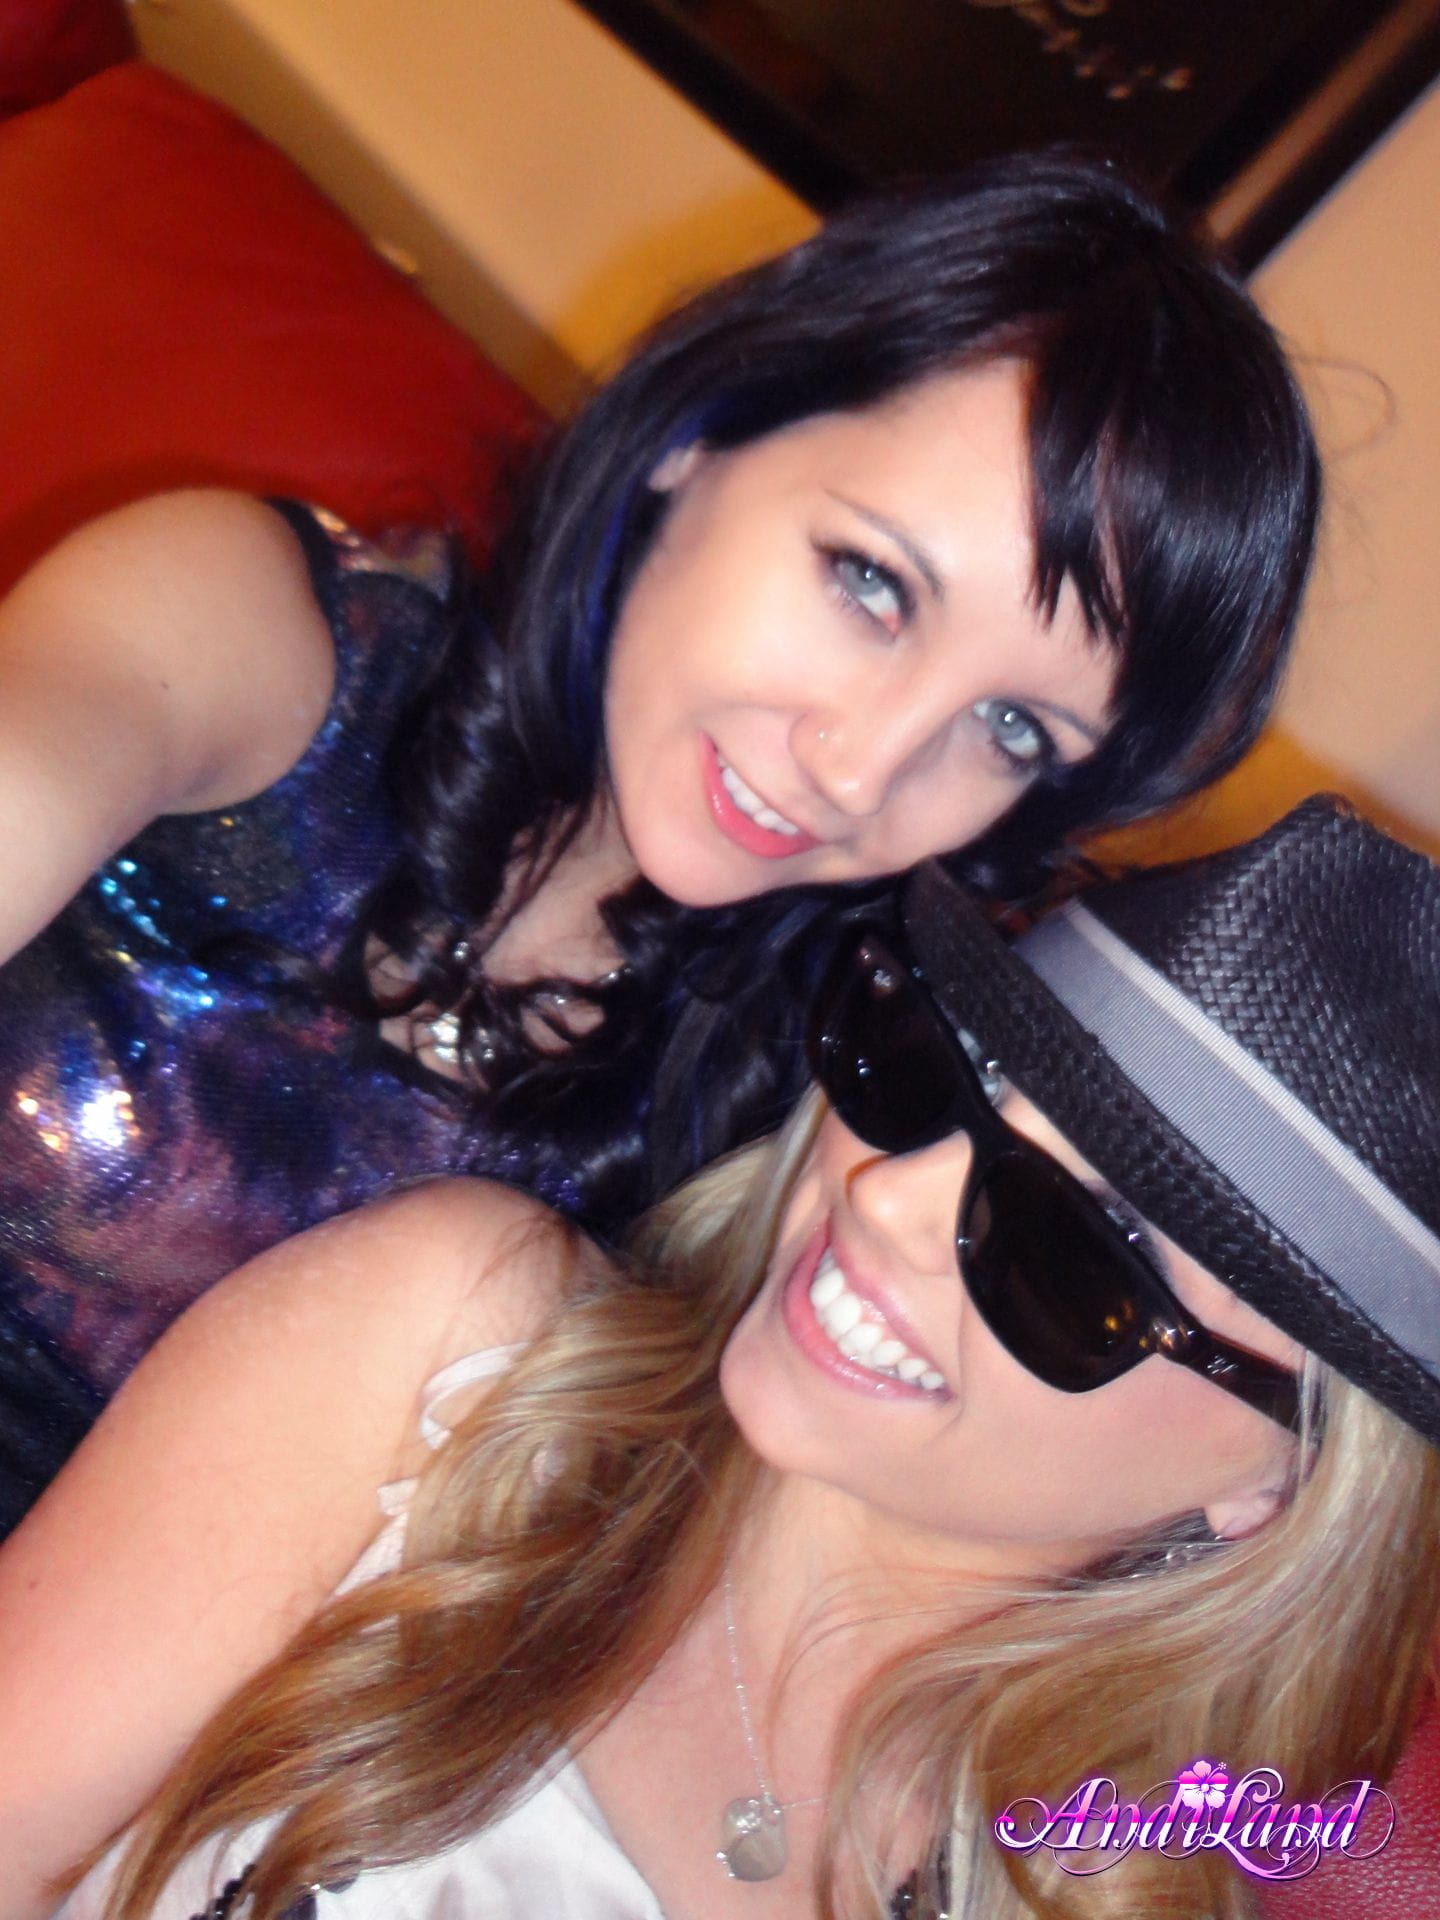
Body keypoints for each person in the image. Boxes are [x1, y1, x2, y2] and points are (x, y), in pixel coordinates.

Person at [0, 151, 1320, 1532]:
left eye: (1011, 729)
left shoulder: (844, 1114)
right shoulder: (242, 634)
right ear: (706, 433)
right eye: (871, 584)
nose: (860, 767)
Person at [6, 794, 1438, 1920]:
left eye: (1084, 1248)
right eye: (937, 1069)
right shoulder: (451, 1361)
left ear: (1279, 1486)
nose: (888, 1198)